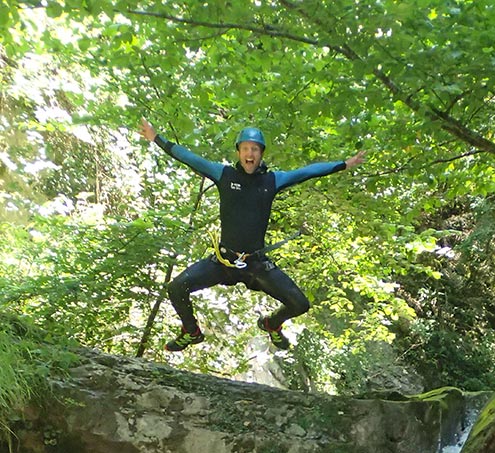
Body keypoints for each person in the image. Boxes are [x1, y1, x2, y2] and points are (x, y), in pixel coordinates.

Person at [139, 118, 365, 352]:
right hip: (223, 261)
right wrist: (156, 138)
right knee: (176, 288)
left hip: (255, 265)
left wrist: (344, 164)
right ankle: (191, 331)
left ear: (261, 154)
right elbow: (190, 158)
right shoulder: (223, 174)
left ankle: (271, 324)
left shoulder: (272, 180)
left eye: (255, 149)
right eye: (245, 148)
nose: (250, 153)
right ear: (238, 152)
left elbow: (307, 172)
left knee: (300, 304)